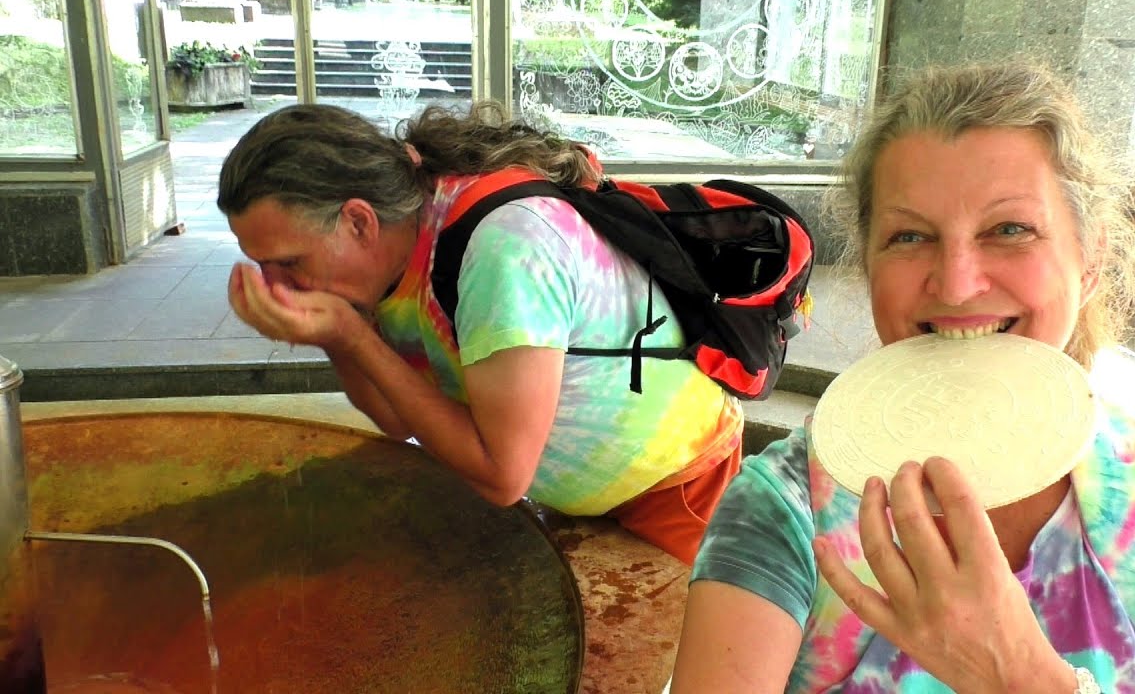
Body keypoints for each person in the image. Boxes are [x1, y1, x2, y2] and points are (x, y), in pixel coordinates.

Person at [670, 62, 1135, 692]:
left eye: (1009, 230)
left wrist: (1015, 674)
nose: (957, 284)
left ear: (1090, 258)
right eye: (910, 236)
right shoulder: (787, 507)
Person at [217, 102, 744, 565]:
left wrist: (352, 337)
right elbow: (398, 417)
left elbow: (502, 473)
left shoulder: (504, 247)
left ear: (359, 222)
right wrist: (336, 336)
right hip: (586, 493)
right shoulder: (390, 252)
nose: (276, 285)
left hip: (676, 484)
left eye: (288, 262)